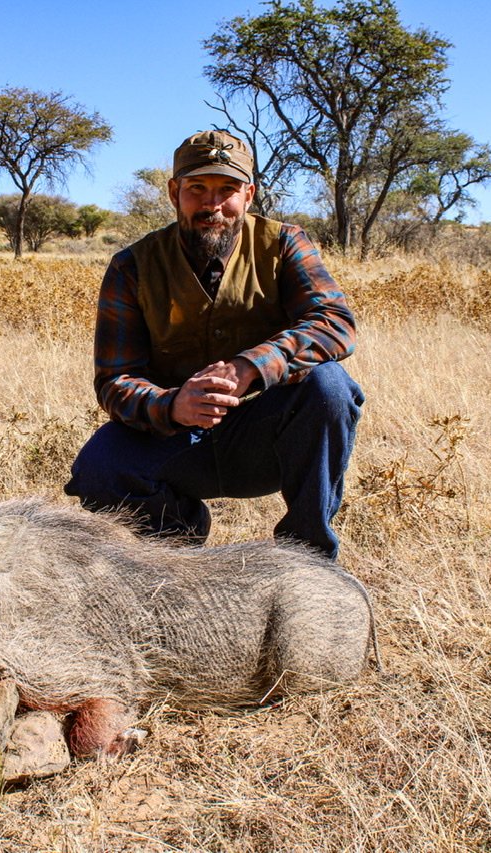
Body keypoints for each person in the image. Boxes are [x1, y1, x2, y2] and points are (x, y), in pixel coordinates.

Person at [64, 129, 363, 559]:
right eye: (197, 189)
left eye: (227, 190)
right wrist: (171, 405)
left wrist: (251, 368)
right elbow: (114, 381)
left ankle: (309, 559)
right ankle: (175, 546)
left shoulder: (284, 243)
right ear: (174, 193)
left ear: (249, 194)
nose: (212, 204)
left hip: (264, 434)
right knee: (99, 465)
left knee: (329, 387)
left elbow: (335, 322)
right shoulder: (132, 266)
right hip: (174, 437)